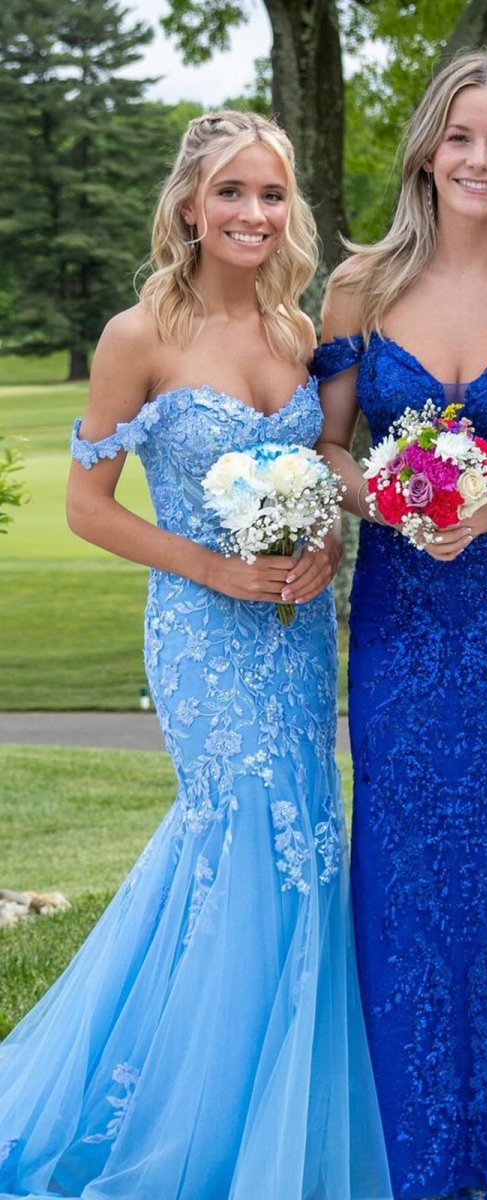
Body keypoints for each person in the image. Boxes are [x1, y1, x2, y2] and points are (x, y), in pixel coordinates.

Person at [0, 111, 391, 1200]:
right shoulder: (139, 335)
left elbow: (322, 468)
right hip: (204, 635)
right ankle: (189, 1127)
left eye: (271, 194)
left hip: (297, 634)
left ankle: (280, 1117)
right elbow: (88, 507)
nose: (253, 213)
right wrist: (214, 570)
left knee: (306, 843)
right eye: (231, 192)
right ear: (188, 205)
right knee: (238, 838)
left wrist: (323, 544)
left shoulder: (297, 330)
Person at [296, 51, 487, 1200]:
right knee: (407, 862)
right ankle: (412, 1151)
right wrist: (390, 497)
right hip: (399, 623)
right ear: (429, 148)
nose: (480, 159)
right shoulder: (361, 287)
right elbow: (327, 446)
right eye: (461, 136)